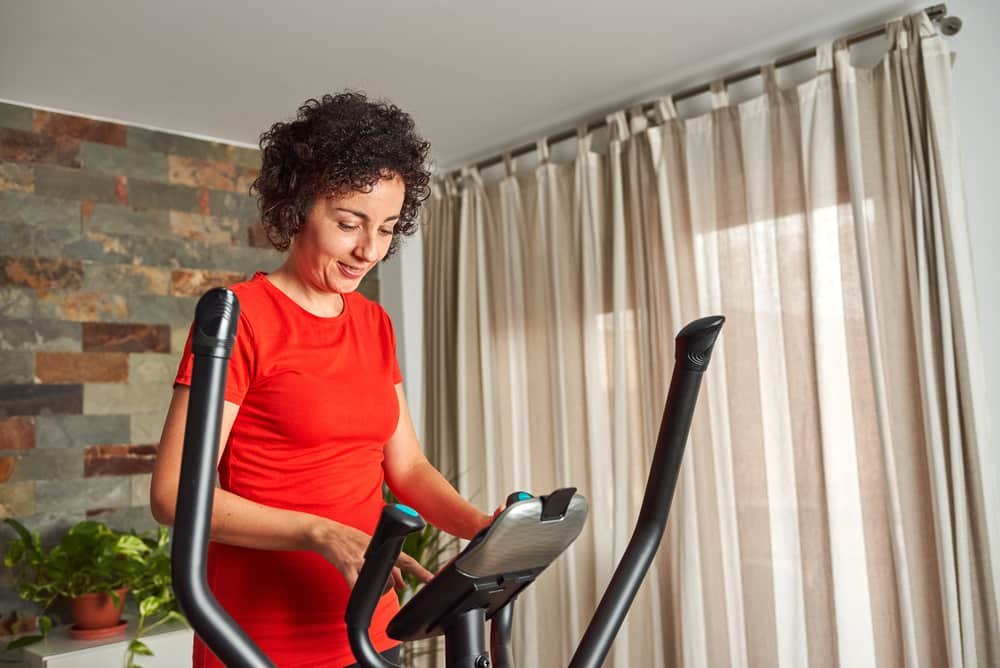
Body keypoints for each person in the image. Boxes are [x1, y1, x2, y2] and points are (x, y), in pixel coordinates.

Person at [150, 92, 496, 667]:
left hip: (368, 626)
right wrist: (321, 532)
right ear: (297, 208)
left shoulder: (372, 323)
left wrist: (483, 528)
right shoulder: (241, 317)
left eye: (386, 229)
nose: (368, 249)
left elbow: (405, 467)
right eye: (348, 223)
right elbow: (172, 495)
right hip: (261, 637)